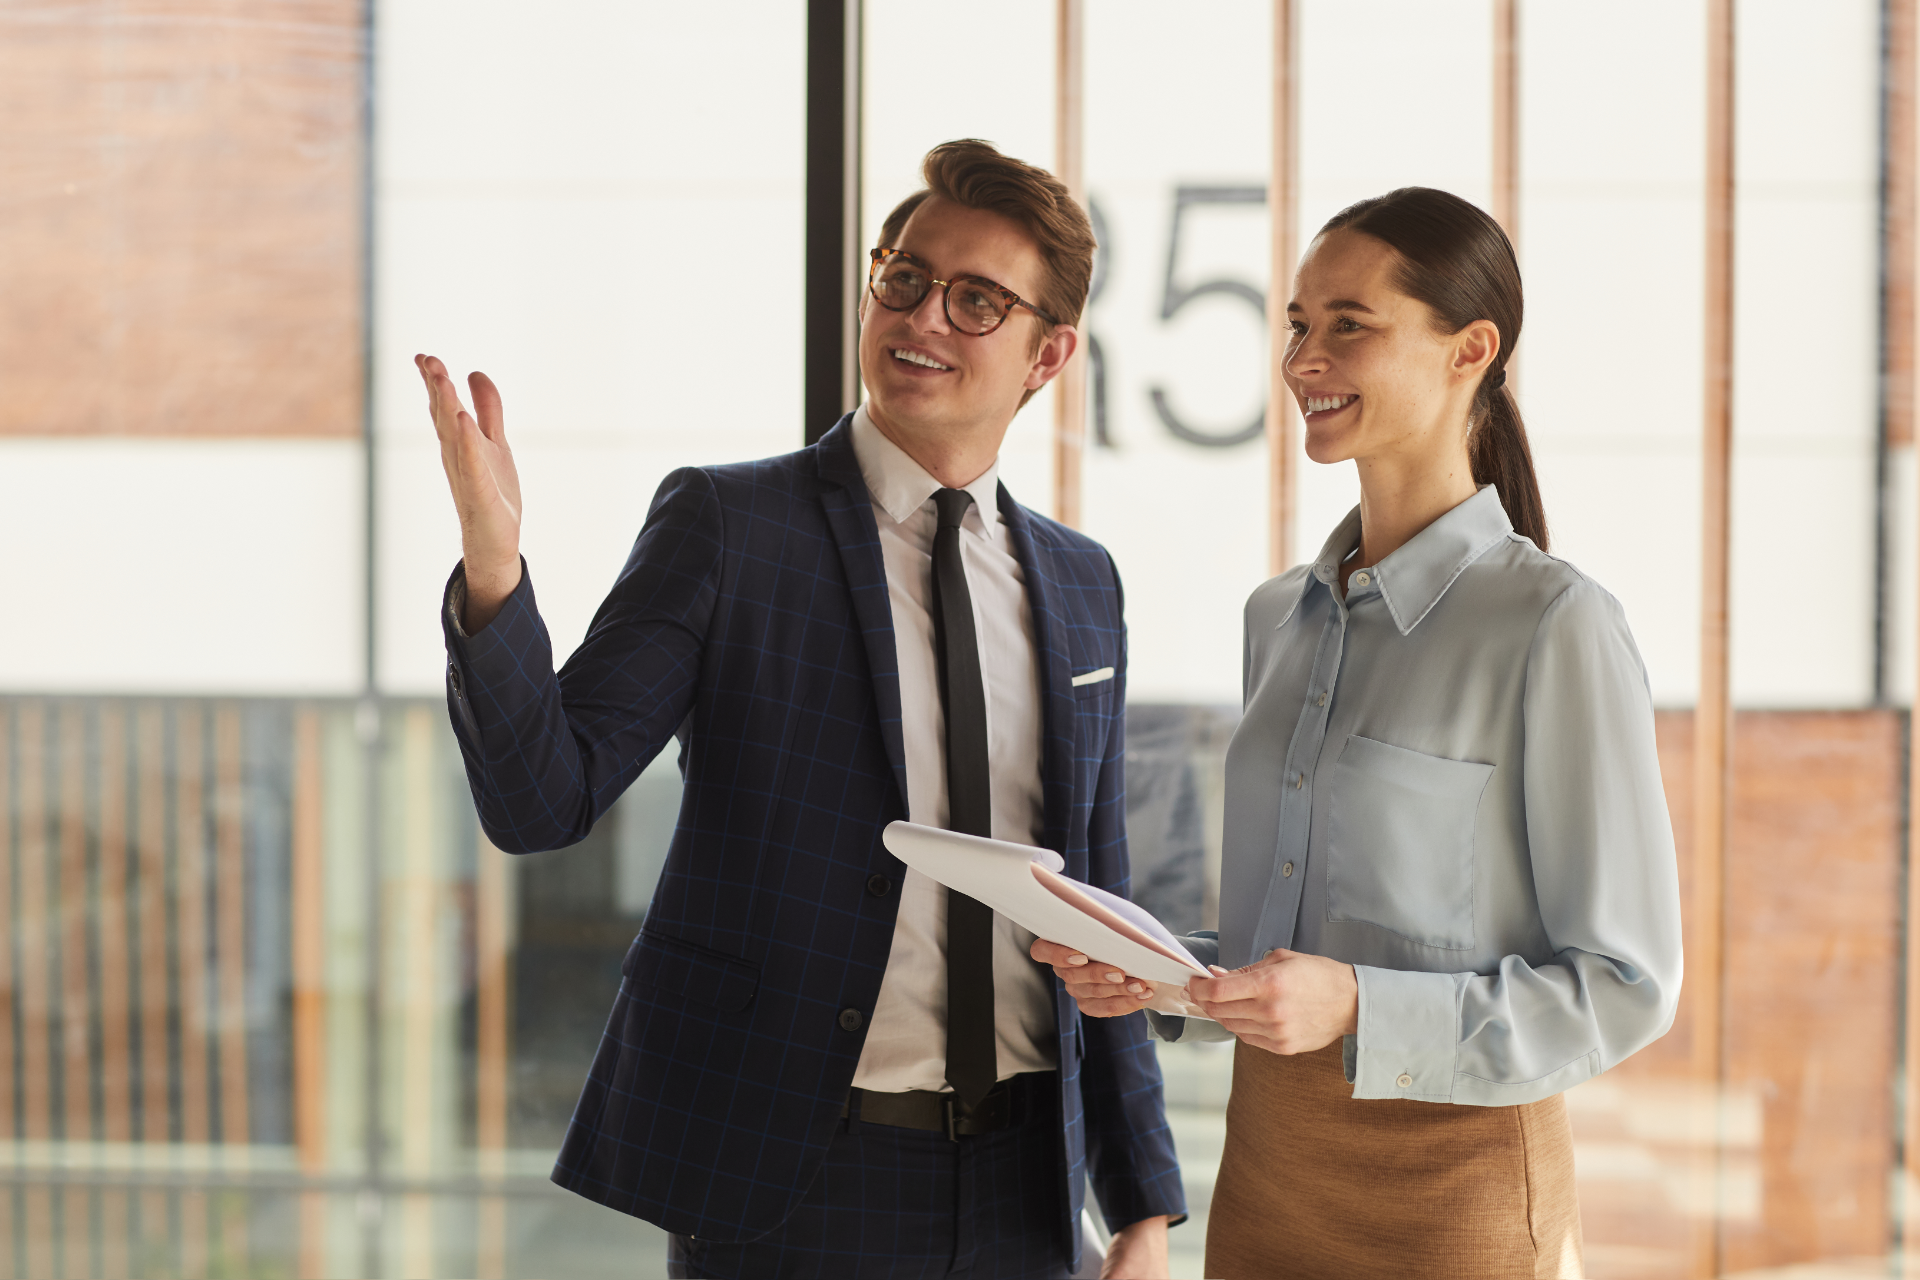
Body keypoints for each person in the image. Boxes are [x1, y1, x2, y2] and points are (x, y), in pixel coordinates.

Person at [420, 138, 1183, 1280]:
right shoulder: (730, 527)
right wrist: (494, 573)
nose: (923, 317)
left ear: (1048, 353)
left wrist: (1143, 1203)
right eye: (905, 277)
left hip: (1030, 1189)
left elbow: (1098, 904)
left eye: (977, 299)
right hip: (794, 1183)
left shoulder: (1083, 581)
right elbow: (545, 798)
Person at [1036, 187, 1684, 1279]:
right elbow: (1281, 943)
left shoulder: (1554, 624)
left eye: (1349, 324)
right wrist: (1163, 975)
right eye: (1297, 323)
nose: (1304, 358)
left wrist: (1360, 1004)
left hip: (1459, 1198)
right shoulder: (1276, 617)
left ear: (1469, 349)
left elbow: (1625, 985)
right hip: (1266, 1180)